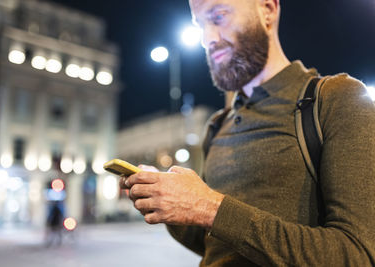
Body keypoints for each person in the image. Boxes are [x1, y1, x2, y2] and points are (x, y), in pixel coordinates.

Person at [120, 0, 375, 265]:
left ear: (267, 9)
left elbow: (357, 255)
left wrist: (208, 206)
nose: (207, 39)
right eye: (200, 26)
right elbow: (217, 243)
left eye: (218, 16)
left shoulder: (338, 100)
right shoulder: (218, 125)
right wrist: (166, 200)